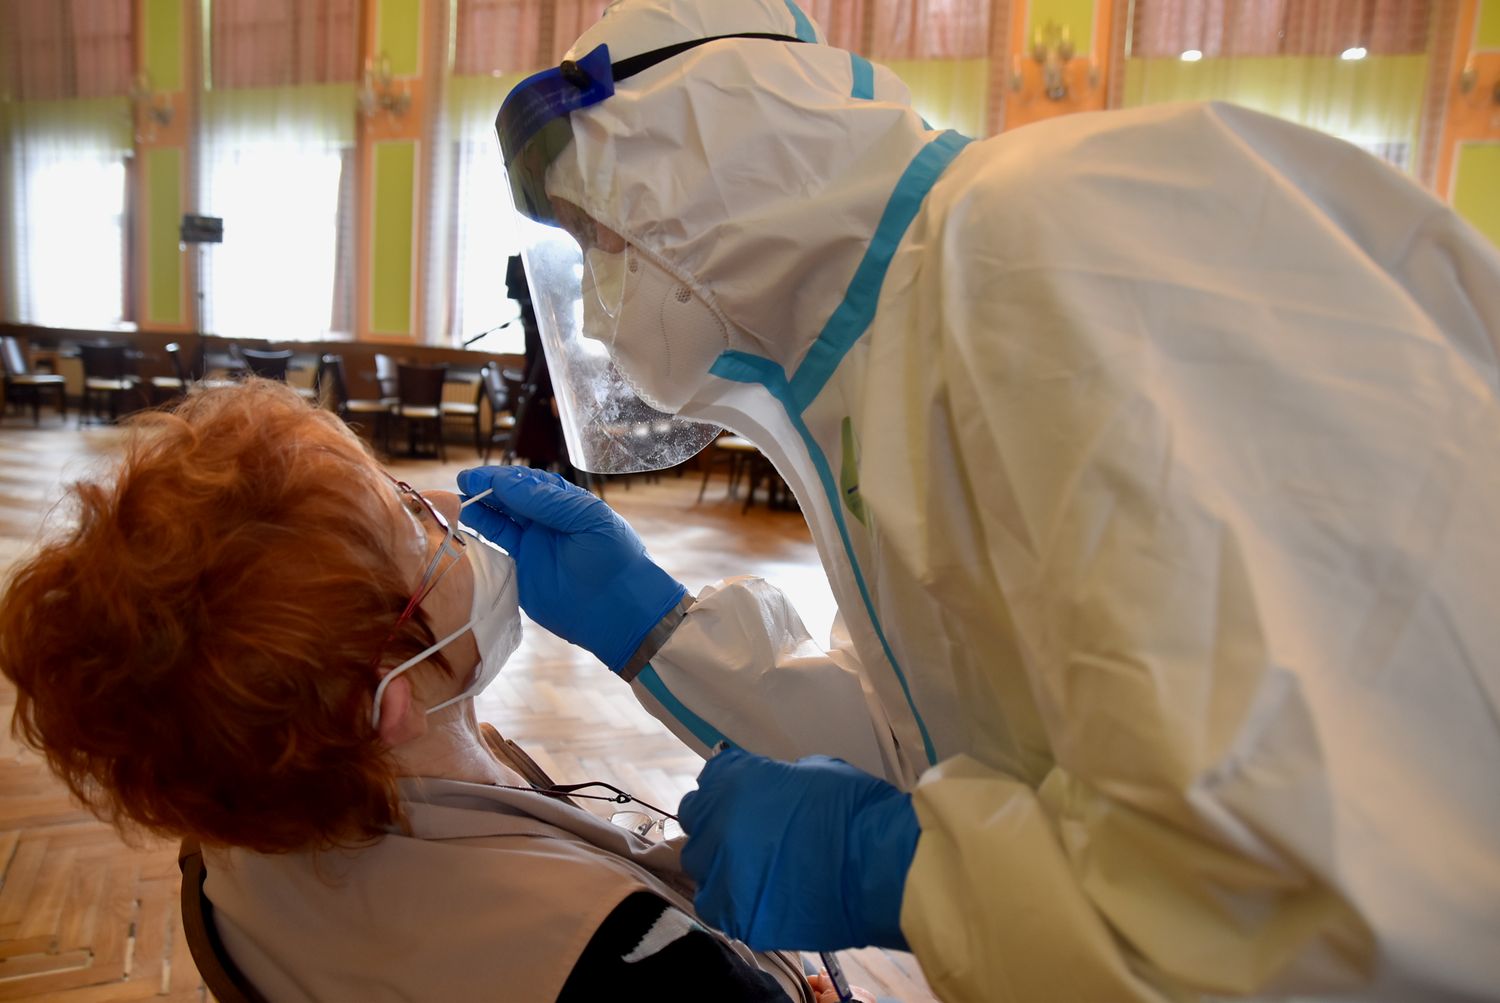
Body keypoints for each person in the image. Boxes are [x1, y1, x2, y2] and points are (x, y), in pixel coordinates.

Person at [464, 1, 1500, 1000]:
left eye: (601, 238)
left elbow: (1314, 882)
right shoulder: (891, 352)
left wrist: (893, 868)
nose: (594, 312)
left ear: (700, 150)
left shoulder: (1043, 242)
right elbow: (948, 737)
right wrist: (655, 627)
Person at [0, 379, 823, 1002]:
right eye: (418, 525)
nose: (449, 508)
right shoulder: (628, 960)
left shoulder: (229, 839)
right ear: (383, 700)